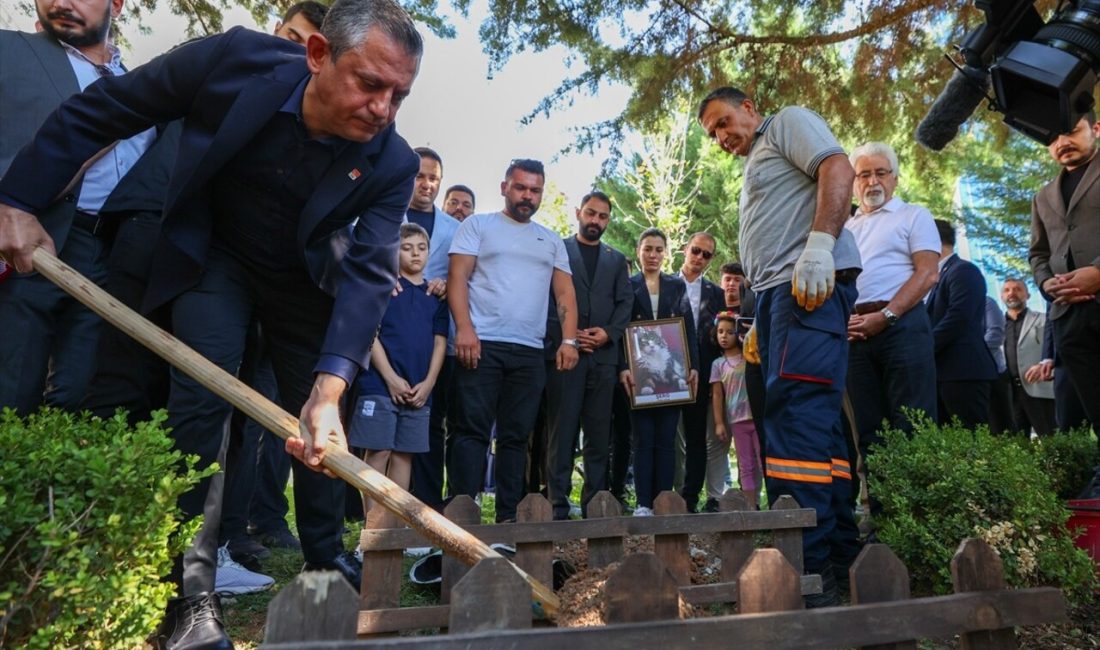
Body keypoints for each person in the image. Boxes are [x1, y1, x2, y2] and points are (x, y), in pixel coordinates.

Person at [0, 1, 424, 646]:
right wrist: (15, 198)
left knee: (321, 420)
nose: (383, 110)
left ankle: (323, 553)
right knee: (202, 405)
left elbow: (369, 272)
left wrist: (331, 384)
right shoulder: (233, 62)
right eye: (370, 84)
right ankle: (192, 598)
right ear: (317, 56)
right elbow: (106, 110)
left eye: (399, 94)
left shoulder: (391, 161)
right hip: (214, 258)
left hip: (303, 281)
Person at [698, 86, 863, 607]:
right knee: (817, 427)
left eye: (724, 121)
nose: (722, 137)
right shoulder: (757, 163)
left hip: (806, 287)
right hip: (777, 300)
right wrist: (756, 322)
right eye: (713, 133)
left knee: (795, 423)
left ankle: (808, 570)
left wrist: (819, 247)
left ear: (750, 108)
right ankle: (838, 557)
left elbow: (838, 168)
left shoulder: (787, 120)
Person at [0, 0, 155, 415]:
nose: (61, 2)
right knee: (11, 396)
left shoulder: (148, 88)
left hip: (112, 262)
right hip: (24, 249)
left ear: (117, 5)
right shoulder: (8, 49)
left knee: (82, 403)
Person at [447, 159, 579, 523]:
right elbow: (457, 277)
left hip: (529, 351)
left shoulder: (550, 240)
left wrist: (569, 341)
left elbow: (565, 294)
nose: (527, 196)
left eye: (535, 190)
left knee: (516, 437)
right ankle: (462, 514)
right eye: (521, 188)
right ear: (505, 187)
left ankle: (508, 518)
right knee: (469, 431)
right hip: (481, 343)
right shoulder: (478, 225)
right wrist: (464, 329)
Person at [542, 191, 632, 519]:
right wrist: (569, 335)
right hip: (566, 356)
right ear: (579, 212)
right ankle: (557, 506)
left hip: (604, 359)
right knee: (561, 433)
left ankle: (596, 504)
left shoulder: (616, 259)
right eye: (591, 213)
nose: (596, 221)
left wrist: (607, 333)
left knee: (599, 436)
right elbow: (548, 299)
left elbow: (625, 303)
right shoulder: (558, 250)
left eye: (603, 216)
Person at [351, 223, 448, 524]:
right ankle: (373, 526)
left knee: (405, 455)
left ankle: (393, 527)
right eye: (406, 248)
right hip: (380, 384)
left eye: (421, 248)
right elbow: (370, 334)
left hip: (419, 388)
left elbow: (440, 341)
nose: (415, 254)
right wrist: (391, 378)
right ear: (393, 251)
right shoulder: (385, 288)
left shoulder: (435, 296)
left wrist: (429, 383)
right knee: (378, 451)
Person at [1029, 112, 1100, 443]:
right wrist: (1045, 284)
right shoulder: (1043, 196)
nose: (1062, 142)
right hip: (1068, 318)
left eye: (1071, 131)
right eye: (1053, 137)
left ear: (1095, 128)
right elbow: (1038, 254)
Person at [619, 228, 699, 517]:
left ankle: (664, 500)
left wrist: (693, 367)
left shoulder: (676, 286)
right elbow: (620, 329)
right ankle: (643, 503)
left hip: (671, 373)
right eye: (647, 248)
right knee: (642, 439)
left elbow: (687, 327)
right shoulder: (627, 285)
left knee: (666, 440)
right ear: (639, 250)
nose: (653, 255)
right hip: (639, 376)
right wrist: (623, 367)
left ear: (665, 253)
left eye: (658, 249)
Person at [404, 147, 461, 512]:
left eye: (433, 178)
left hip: (435, 335)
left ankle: (427, 503)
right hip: (391, 331)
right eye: (420, 176)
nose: (426, 184)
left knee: (431, 420)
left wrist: (445, 282)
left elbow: (464, 276)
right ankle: (378, 508)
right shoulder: (382, 214)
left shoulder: (455, 229)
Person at [928, 220, 999, 428]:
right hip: (942, 372)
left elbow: (958, 317)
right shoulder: (935, 276)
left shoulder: (963, 271)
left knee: (971, 438)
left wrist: (923, 346)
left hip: (963, 370)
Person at [676, 232, 726, 513]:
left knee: (696, 438)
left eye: (706, 255)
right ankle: (660, 496)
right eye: (696, 251)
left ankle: (689, 498)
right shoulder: (665, 285)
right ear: (686, 249)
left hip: (702, 373)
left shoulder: (716, 294)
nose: (699, 258)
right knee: (666, 438)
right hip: (666, 372)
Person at [710, 311, 761, 508]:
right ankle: (750, 506)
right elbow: (717, 395)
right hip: (737, 421)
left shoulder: (749, 356)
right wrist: (719, 423)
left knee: (762, 459)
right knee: (745, 464)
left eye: (730, 332)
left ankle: (770, 501)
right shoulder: (718, 364)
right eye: (720, 332)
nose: (724, 336)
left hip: (756, 417)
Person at [1000, 279, 1058, 436]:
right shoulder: (996, 326)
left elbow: (1055, 346)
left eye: (1017, 289)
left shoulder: (1044, 320)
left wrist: (1043, 364)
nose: (1011, 293)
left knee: (1052, 441)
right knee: (1017, 449)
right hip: (1009, 395)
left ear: (1027, 294)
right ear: (1001, 297)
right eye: (1006, 290)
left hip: (1039, 389)